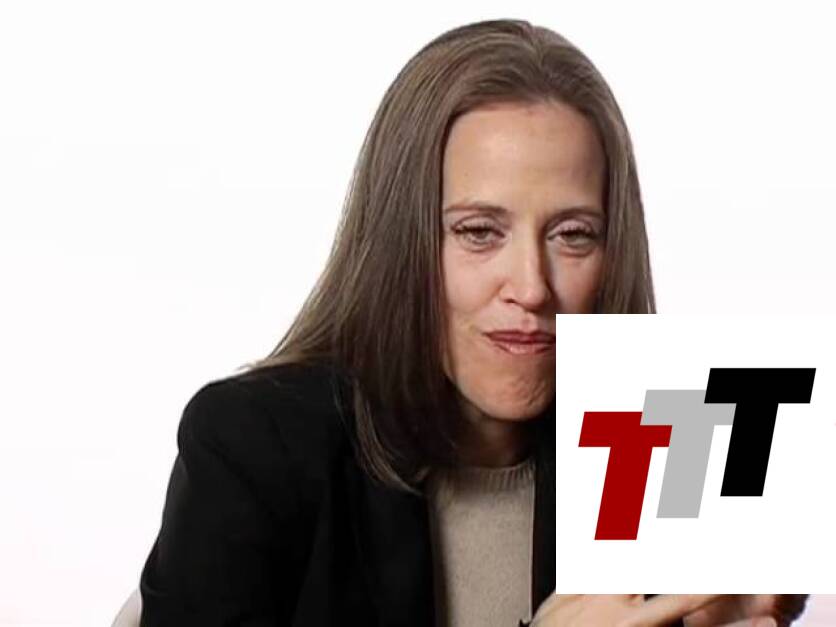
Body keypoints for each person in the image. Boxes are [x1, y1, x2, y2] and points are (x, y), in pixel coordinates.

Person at [137, 19, 807, 626]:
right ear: (402, 243)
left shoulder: (672, 439)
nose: (531, 286)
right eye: (479, 231)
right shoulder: (254, 446)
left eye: (574, 235)